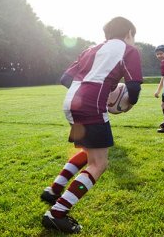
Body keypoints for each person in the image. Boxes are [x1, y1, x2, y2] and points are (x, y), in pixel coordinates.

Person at [40, 16, 143, 234]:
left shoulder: (91, 49)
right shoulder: (128, 50)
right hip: (91, 106)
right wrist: (126, 103)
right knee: (99, 164)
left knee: (89, 153)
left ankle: (54, 190)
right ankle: (57, 213)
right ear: (129, 34)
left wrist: (97, 91)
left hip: (71, 103)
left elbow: (65, 79)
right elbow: (133, 89)